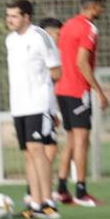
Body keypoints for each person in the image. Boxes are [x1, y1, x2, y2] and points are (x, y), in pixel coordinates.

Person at [4, 0, 61, 219]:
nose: (9, 20)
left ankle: (49, 203)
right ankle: (35, 203)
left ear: (26, 17)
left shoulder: (40, 37)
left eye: (14, 16)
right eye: (8, 15)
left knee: (38, 151)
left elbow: (56, 72)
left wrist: (50, 106)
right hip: (19, 106)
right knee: (28, 154)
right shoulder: (10, 40)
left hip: (39, 103)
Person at [55, 0, 109, 207]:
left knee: (70, 139)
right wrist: (98, 90)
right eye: (102, 6)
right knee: (81, 140)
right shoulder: (89, 29)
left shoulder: (67, 25)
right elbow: (81, 62)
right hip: (78, 91)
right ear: (94, 6)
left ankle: (60, 188)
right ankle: (81, 190)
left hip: (62, 90)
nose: (103, 10)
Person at [36, 17, 64, 188]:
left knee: (41, 149)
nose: (60, 38)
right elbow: (51, 80)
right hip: (40, 105)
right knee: (48, 149)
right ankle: (37, 191)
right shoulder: (47, 52)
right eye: (58, 34)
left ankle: (35, 191)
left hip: (42, 106)